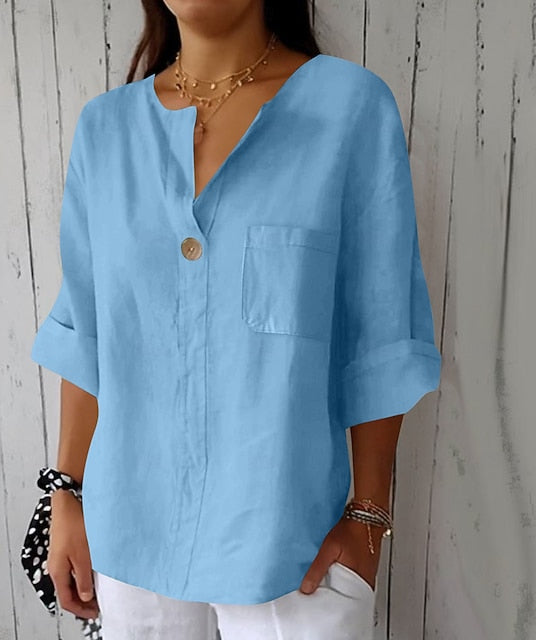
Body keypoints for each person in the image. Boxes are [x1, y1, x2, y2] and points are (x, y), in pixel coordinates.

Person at [29, 0, 442, 638]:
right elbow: (88, 333)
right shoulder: (106, 131)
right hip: (131, 540)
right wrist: (66, 497)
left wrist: (368, 517)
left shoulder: (350, 110)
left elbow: (382, 333)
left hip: (294, 547)